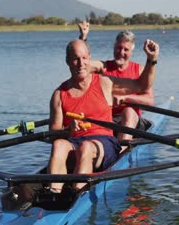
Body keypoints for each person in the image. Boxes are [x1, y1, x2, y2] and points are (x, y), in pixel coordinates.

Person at [48, 39, 159, 192]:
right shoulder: (59, 95)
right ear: (67, 61)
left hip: (104, 142)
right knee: (58, 145)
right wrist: (68, 130)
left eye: (84, 58)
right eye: (75, 59)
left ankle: (76, 194)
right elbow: (53, 135)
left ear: (89, 58)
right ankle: (53, 192)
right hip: (74, 142)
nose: (81, 63)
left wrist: (151, 60)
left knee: (85, 147)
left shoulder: (105, 83)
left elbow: (142, 85)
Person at [78, 21, 154, 142]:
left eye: (126, 49)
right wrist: (83, 38)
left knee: (128, 111)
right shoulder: (103, 68)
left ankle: (121, 150)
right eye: (118, 48)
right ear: (114, 47)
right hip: (107, 118)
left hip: (131, 120)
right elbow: (84, 64)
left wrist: (125, 98)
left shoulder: (139, 70)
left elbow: (150, 101)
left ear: (131, 52)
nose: (121, 53)